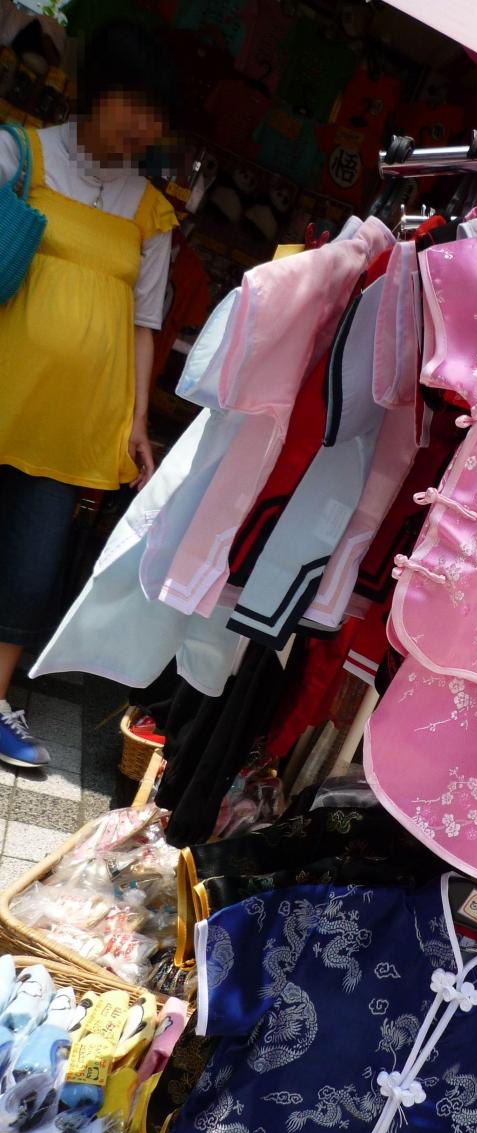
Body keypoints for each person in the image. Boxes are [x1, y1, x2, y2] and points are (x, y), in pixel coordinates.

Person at [0, 23, 176, 768]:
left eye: (156, 113)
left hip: (74, 424)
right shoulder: (21, 154)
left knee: (31, 571)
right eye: (133, 103)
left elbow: (144, 323)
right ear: (96, 92)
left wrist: (136, 421)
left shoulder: (151, 210)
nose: (144, 126)